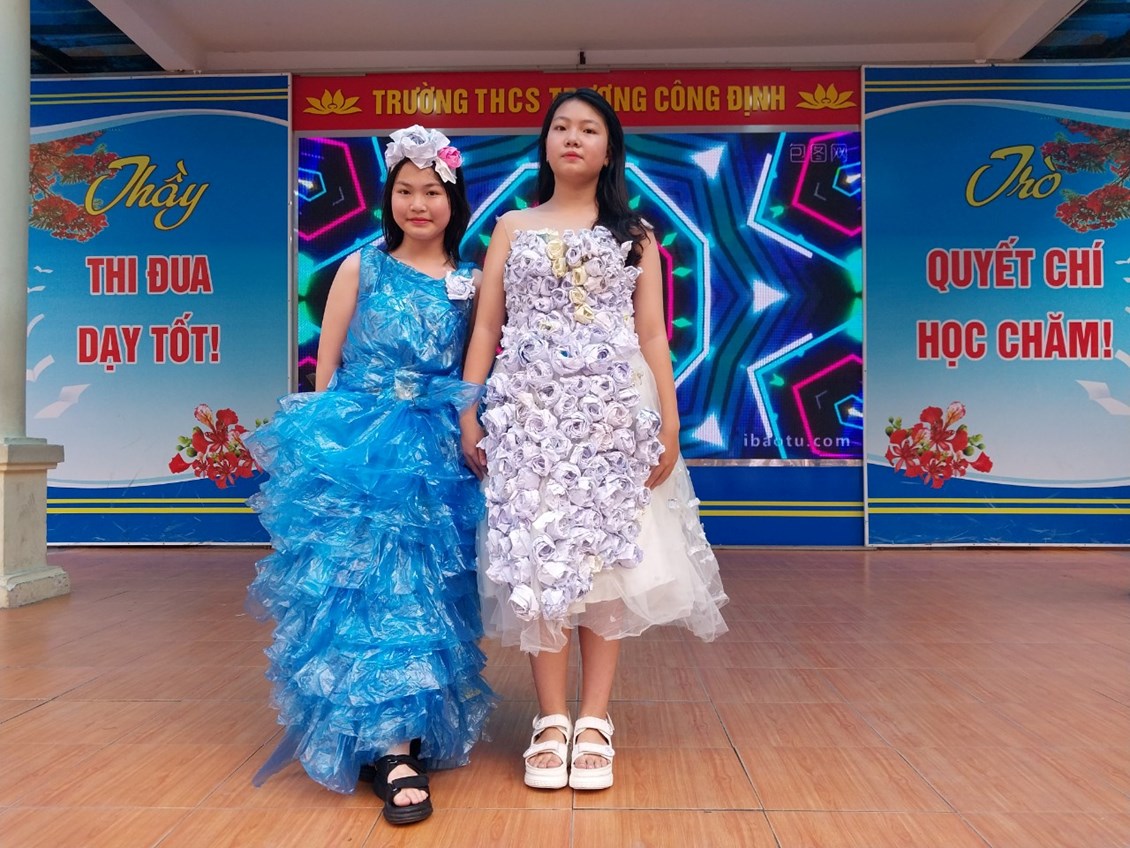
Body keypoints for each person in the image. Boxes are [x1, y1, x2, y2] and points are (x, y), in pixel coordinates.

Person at [459, 89, 728, 792]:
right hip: (528, 420)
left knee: (606, 566)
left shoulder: (636, 235)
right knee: (540, 564)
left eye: (588, 129)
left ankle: (595, 720)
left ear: (610, 150)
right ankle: (551, 719)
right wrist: (469, 410)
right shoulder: (512, 227)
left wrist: (670, 422)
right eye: (561, 127)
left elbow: (652, 335)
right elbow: (487, 325)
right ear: (546, 144)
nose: (572, 138)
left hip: (612, 420)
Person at [246, 125, 494, 824]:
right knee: (363, 589)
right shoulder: (361, 266)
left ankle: (402, 730)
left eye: (432, 192)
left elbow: (474, 365)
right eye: (405, 191)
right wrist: (322, 458)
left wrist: (469, 428)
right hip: (359, 448)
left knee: (424, 594)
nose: (418, 204)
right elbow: (325, 370)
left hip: (435, 453)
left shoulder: (472, 282)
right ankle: (385, 744)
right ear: (390, 199)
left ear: (452, 199)